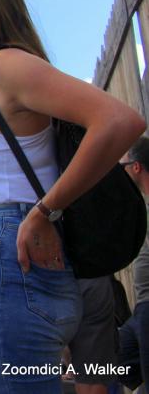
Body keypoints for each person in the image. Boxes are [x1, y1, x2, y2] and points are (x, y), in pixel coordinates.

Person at [0, 0, 145, 393]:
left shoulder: (5, 66)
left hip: (10, 260)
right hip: (2, 262)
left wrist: (47, 208)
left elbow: (120, 120)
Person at [118, 136, 149, 390]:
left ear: (136, 167)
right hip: (141, 309)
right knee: (119, 361)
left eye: (124, 166)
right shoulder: (142, 206)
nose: (123, 172)